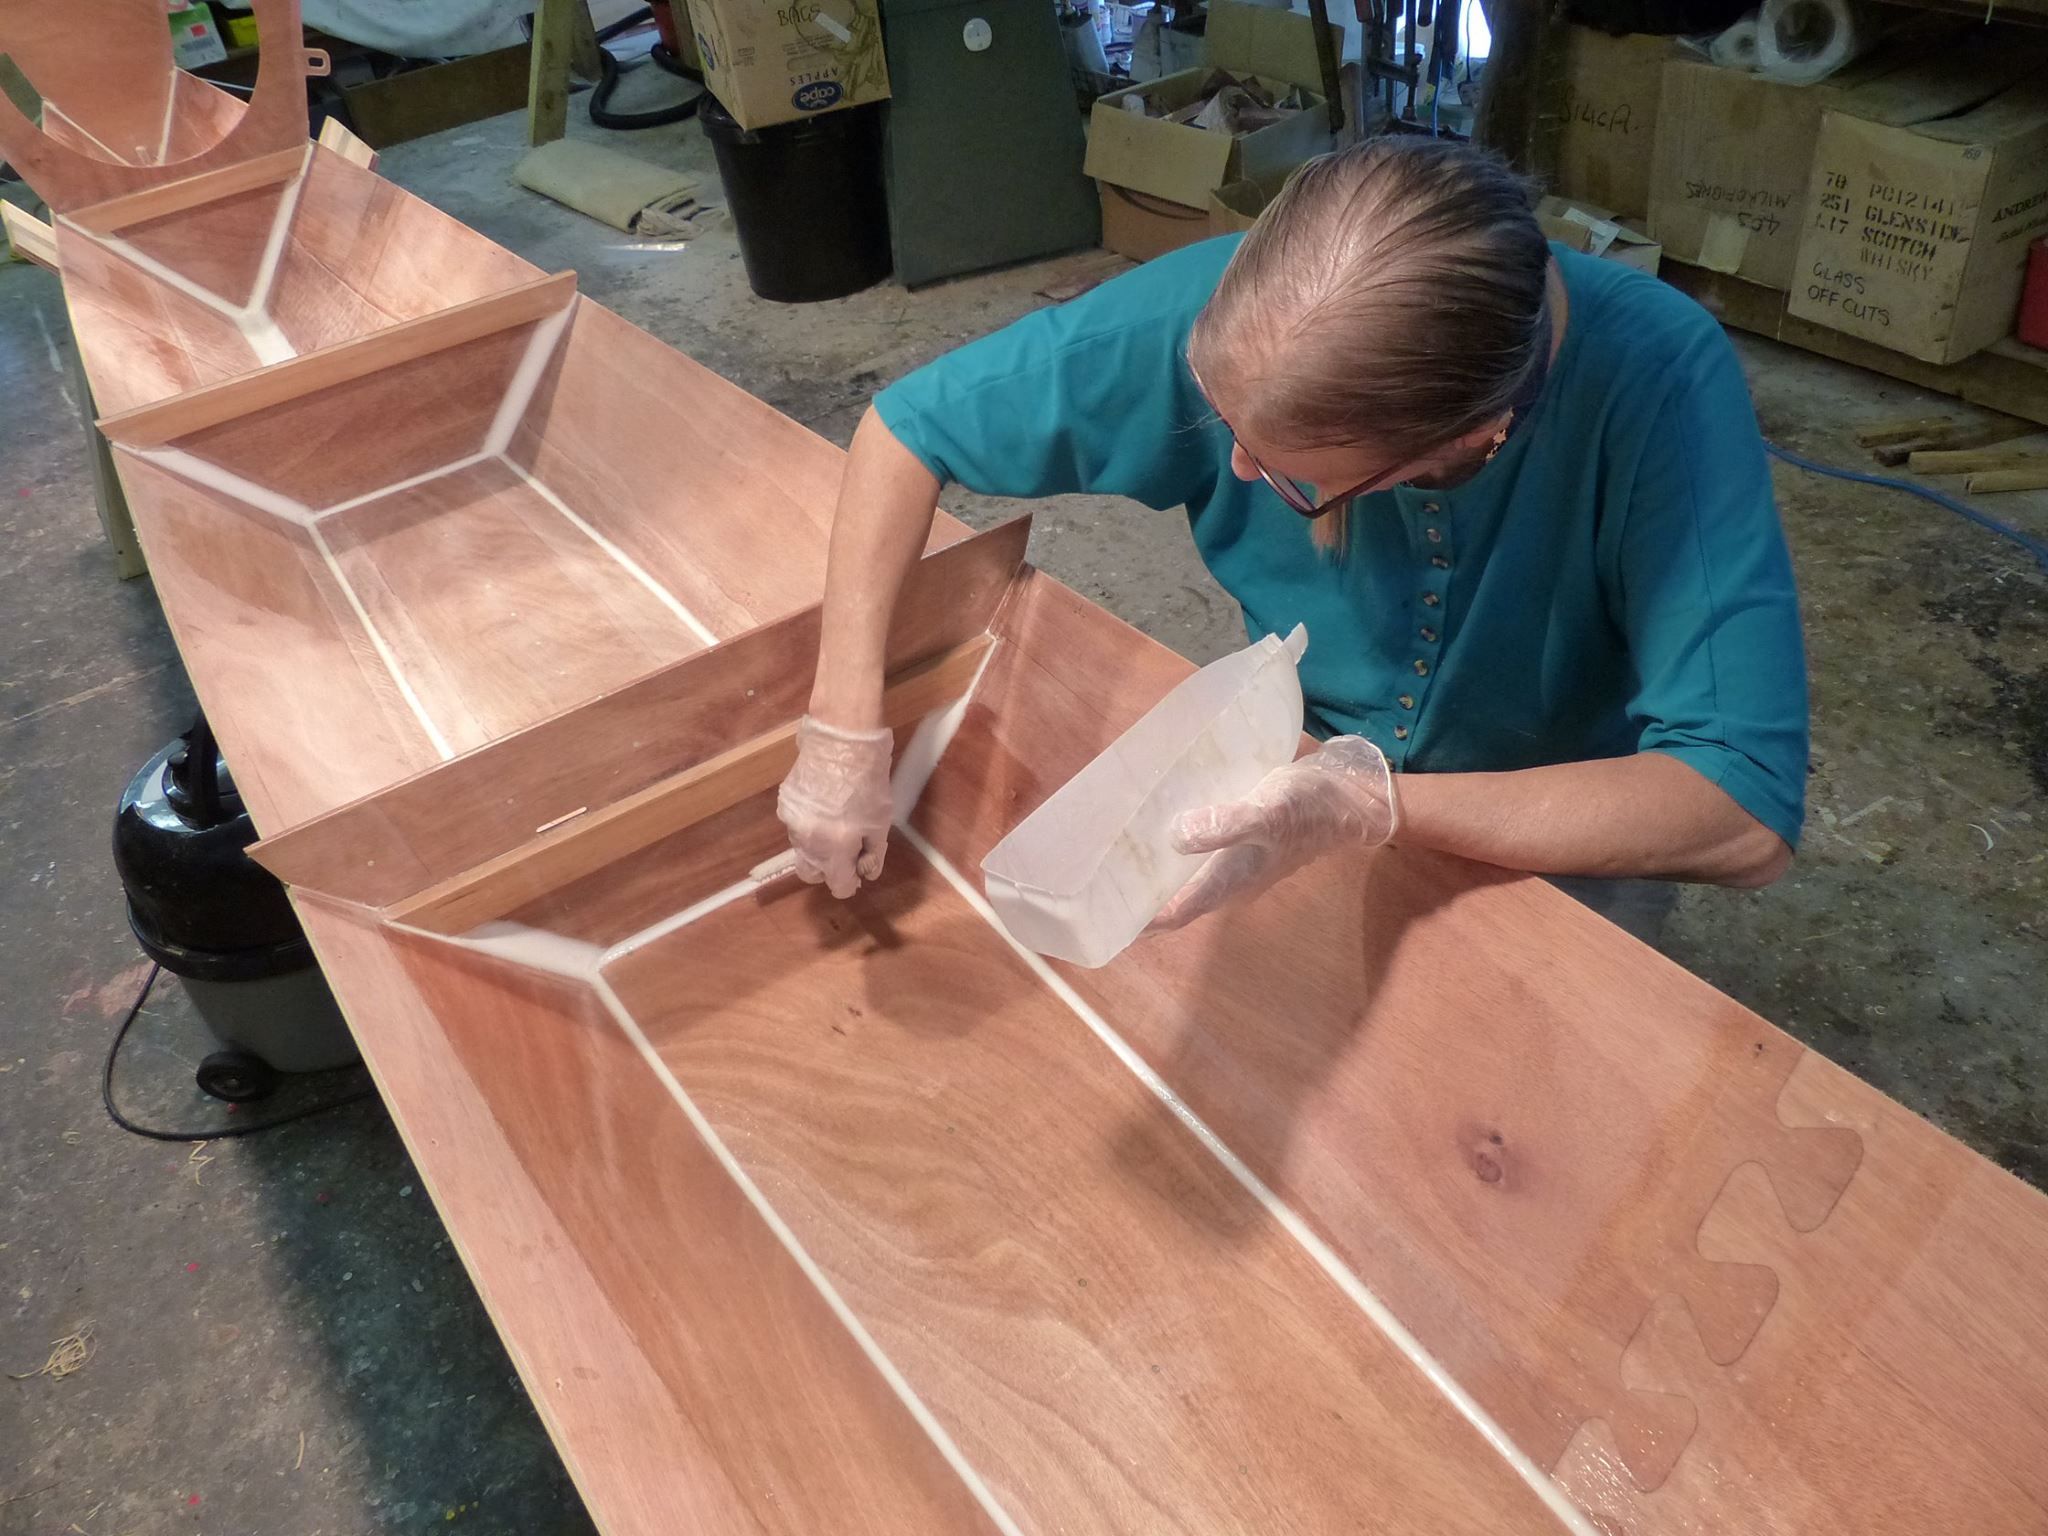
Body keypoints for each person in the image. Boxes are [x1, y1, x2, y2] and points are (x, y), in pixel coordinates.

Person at [775, 137, 1807, 945]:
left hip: (1552, 813)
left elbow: (1734, 812)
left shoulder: (1659, 384)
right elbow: (906, 429)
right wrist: (841, 724)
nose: (1237, 475)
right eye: (1229, 433)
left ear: (1468, 441)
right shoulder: (1257, 315)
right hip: (1293, 758)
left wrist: (1372, 805)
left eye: (1289, 476)